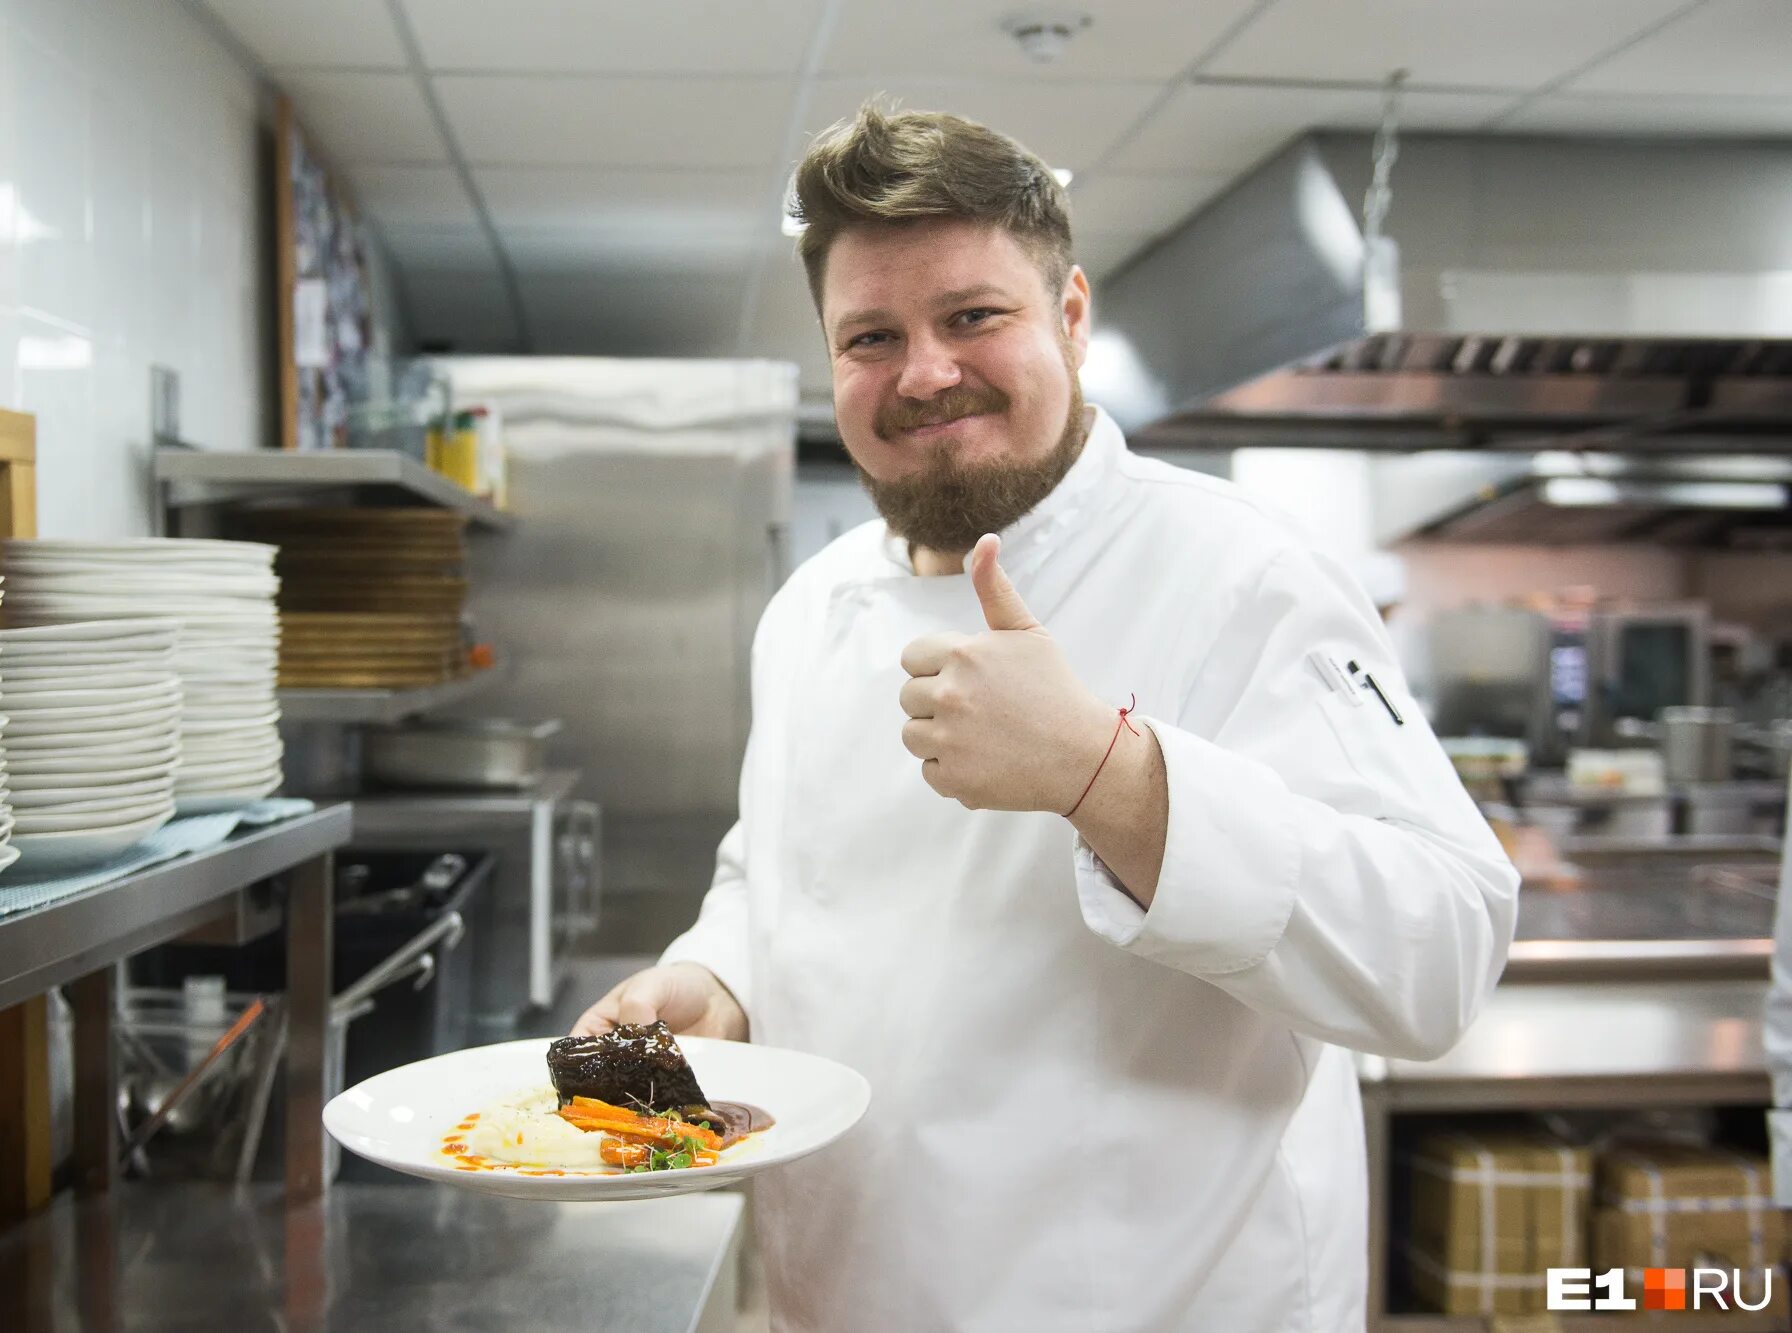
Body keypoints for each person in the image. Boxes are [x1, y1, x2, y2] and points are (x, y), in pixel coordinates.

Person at [574, 102, 1518, 1332]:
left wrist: (1102, 773)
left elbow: (1440, 952)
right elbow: (780, 872)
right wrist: (720, 977)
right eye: (870, 336)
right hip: (839, 1294)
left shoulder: (1237, 572)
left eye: (972, 316)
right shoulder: (809, 608)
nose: (922, 373)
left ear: (1069, 316)